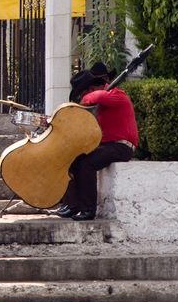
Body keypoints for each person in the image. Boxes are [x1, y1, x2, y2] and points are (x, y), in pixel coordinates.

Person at [57, 62, 138, 221]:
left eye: (84, 92)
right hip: (108, 145)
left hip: (122, 146)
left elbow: (96, 96)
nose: (83, 96)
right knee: (73, 159)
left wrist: (85, 98)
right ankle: (72, 205)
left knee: (87, 163)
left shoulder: (117, 94)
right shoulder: (101, 104)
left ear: (92, 88)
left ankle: (88, 210)